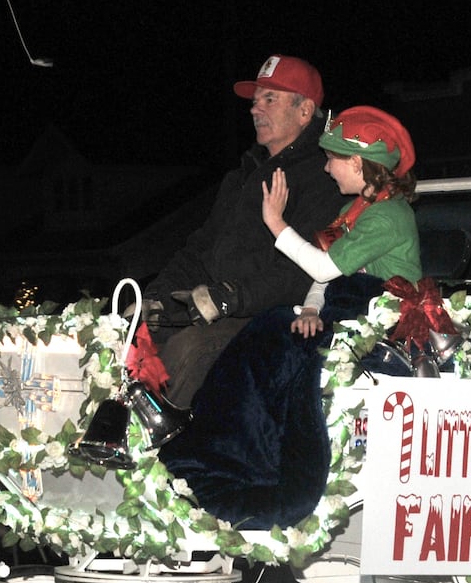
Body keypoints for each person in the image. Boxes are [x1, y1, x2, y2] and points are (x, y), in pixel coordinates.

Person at [158, 106, 421, 529]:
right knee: (269, 333)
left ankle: (258, 474)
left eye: (333, 158)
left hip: (379, 321)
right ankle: (222, 453)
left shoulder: (389, 216)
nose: (326, 167)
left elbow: (323, 268)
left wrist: (276, 223)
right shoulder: (358, 212)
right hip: (343, 308)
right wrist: (313, 309)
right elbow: (326, 276)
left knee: (271, 340)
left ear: (357, 163)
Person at [145, 54, 349, 406]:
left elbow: (304, 273)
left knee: (189, 349)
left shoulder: (325, 178)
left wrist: (231, 297)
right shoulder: (243, 176)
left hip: (282, 317)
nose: (256, 109)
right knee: (134, 339)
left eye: (270, 99)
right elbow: (199, 250)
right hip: (221, 308)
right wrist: (156, 297)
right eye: (255, 101)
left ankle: (164, 452)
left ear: (304, 111)